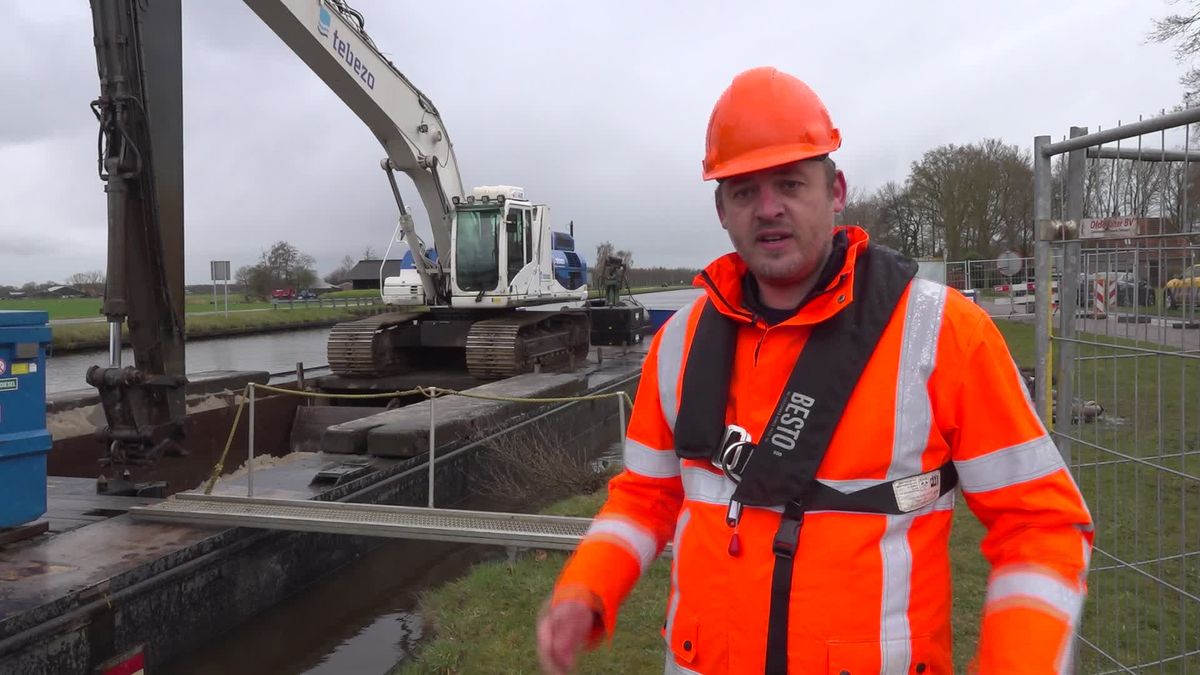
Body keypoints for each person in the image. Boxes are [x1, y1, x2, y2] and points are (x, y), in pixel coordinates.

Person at [536, 66, 1093, 675]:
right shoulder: (679, 343)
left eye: (790, 184)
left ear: (836, 191)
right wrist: (588, 585)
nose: (768, 208)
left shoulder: (939, 334)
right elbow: (645, 496)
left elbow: (1040, 527)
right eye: (744, 191)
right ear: (721, 209)